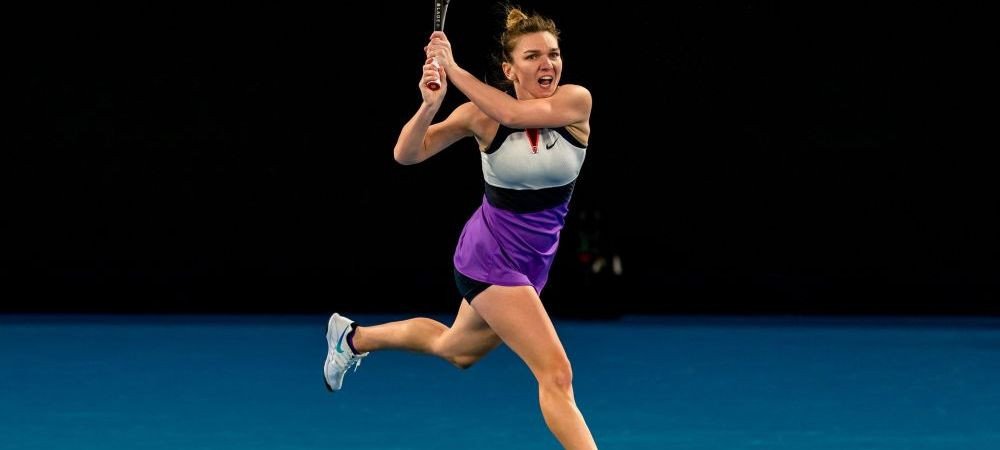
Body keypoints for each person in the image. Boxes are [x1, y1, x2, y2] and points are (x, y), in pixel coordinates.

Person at [323, 6, 597, 449]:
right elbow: (407, 154)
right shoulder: (479, 116)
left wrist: (453, 68)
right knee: (556, 374)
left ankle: (352, 338)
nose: (547, 63)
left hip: (534, 260)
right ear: (509, 69)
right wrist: (429, 106)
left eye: (553, 54)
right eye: (532, 56)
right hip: (489, 255)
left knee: (457, 350)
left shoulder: (575, 102)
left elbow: (515, 115)